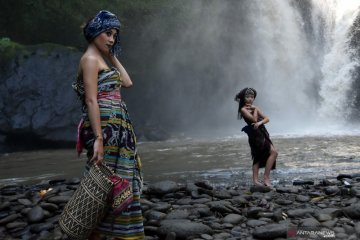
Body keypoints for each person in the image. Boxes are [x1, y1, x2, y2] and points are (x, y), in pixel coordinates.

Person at [72, 10, 144, 239]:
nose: (112, 39)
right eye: (108, 33)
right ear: (95, 32)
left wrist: (112, 55)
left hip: (117, 128)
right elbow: (91, 99)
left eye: (114, 35)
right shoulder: (90, 60)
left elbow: (128, 82)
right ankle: (93, 231)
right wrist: (99, 140)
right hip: (105, 129)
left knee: (113, 182)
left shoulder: (101, 58)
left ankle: (111, 232)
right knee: (102, 183)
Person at [235, 88, 277, 187]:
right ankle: (261, 179)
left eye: (252, 97)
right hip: (254, 134)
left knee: (261, 155)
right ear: (243, 98)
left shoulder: (254, 107)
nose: (250, 99)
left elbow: (267, 119)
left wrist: (260, 122)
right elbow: (253, 119)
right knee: (263, 154)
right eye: (247, 97)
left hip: (262, 132)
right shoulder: (243, 109)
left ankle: (260, 180)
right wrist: (255, 110)